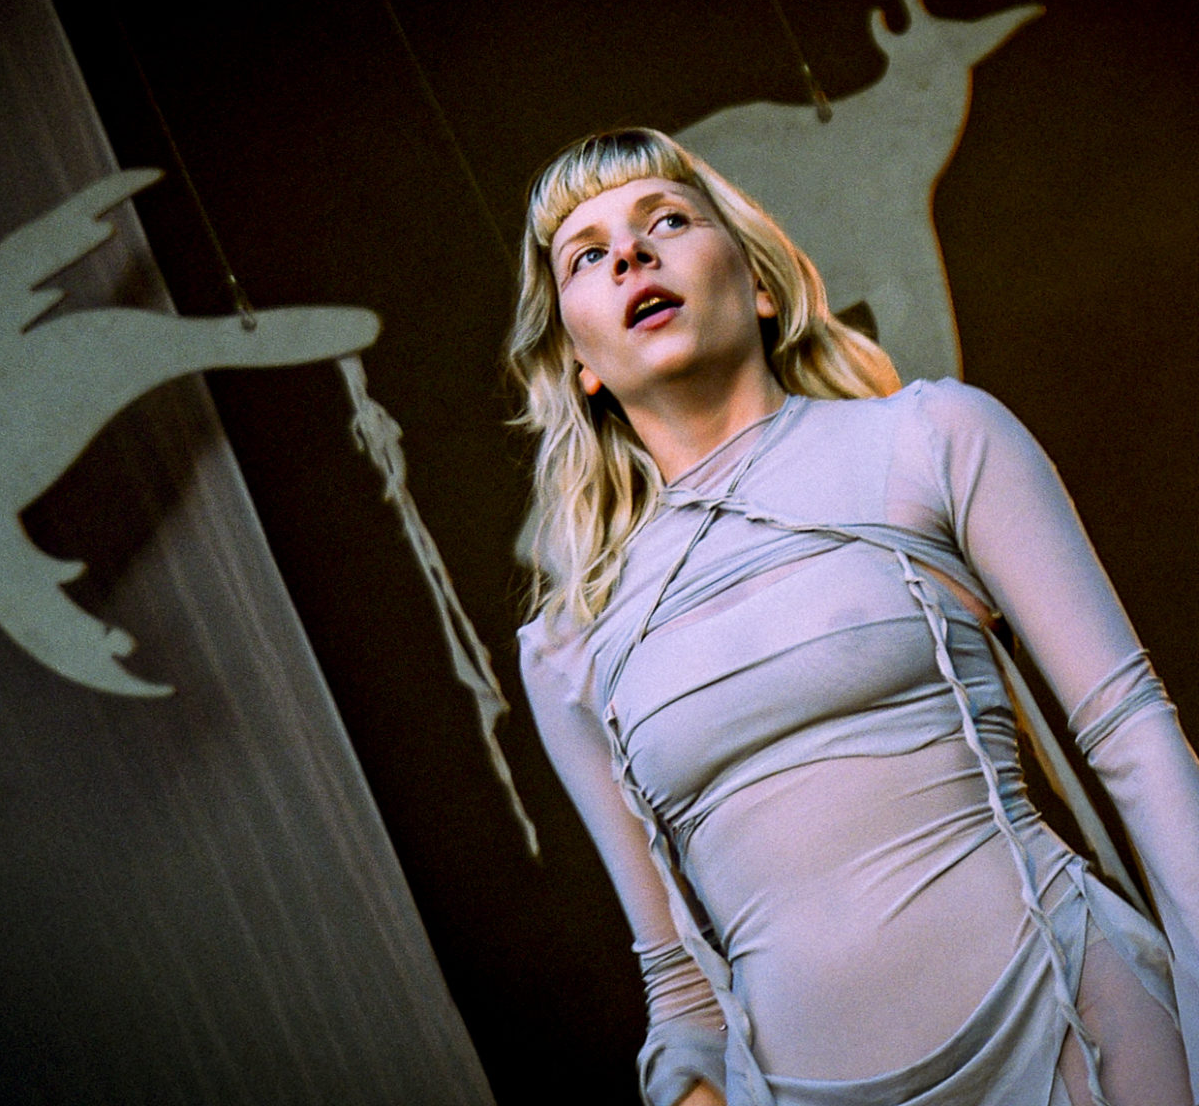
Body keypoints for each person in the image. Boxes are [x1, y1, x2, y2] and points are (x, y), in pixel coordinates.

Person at [506, 127, 1199, 1106]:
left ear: (759, 284)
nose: (631, 254)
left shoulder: (932, 437)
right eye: (588, 254)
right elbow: (679, 987)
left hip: (1080, 1030)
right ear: (580, 360)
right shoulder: (568, 643)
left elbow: (1130, 733)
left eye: (668, 221)